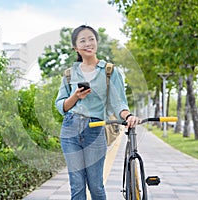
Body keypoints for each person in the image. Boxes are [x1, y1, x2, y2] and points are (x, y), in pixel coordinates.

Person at [55, 25, 140, 200]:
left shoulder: (109, 71)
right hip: (70, 128)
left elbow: (119, 103)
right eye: (82, 40)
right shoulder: (69, 74)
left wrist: (128, 116)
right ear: (75, 47)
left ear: (97, 42)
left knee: (96, 186)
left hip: (95, 129)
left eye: (91, 39)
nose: (88, 43)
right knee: (77, 186)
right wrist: (76, 96)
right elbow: (61, 106)